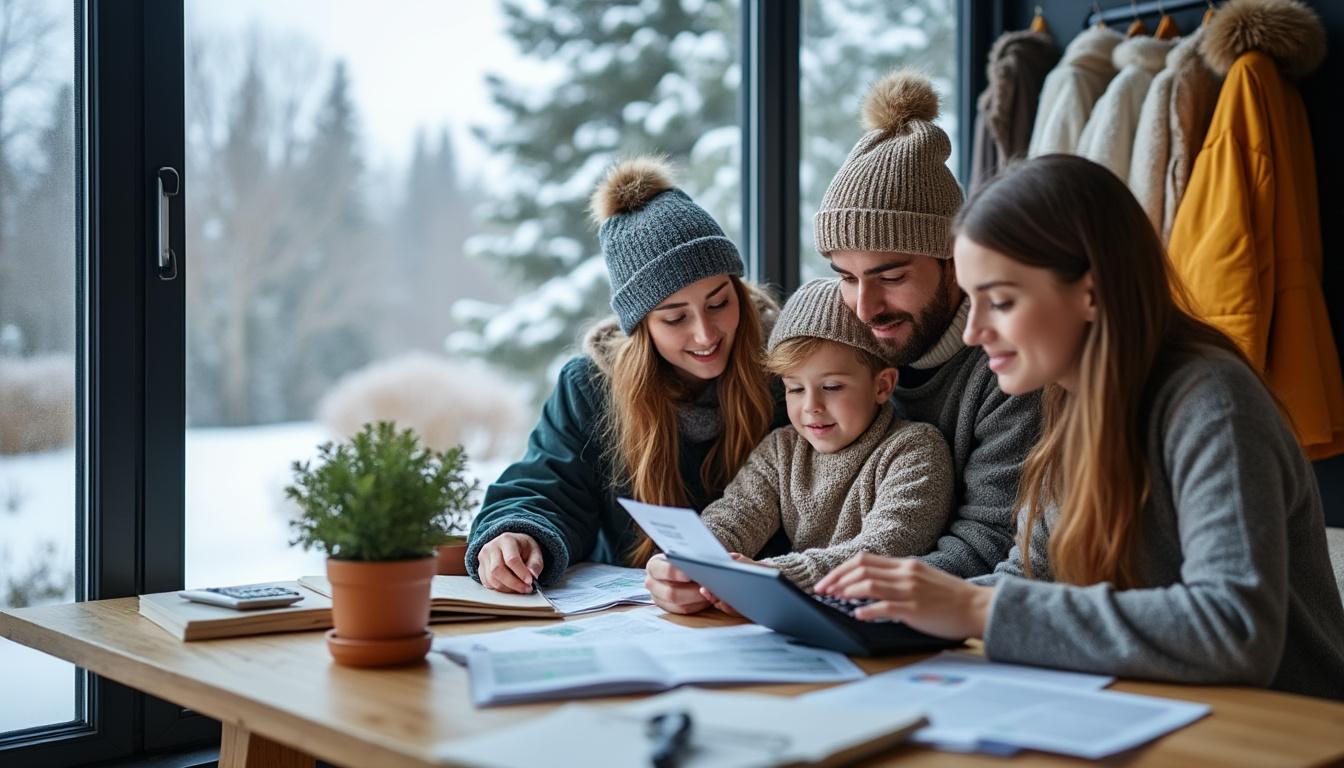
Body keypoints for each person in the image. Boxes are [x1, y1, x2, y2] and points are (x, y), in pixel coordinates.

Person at [814, 154, 1344, 700]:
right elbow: (1031, 578)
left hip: (1290, 729)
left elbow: (1235, 627)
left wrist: (974, 607)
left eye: (1000, 301)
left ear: (1090, 291)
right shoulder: (1076, 402)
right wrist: (882, 611)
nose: (973, 332)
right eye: (973, 302)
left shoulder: (1212, 404)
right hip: (1166, 709)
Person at [646, 69, 1043, 613]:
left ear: (955, 260)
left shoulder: (1009, 371)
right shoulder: (837, 339)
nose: (864, 307)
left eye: (891, 276)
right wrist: (691, 564)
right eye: (846, 276)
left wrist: (789, 581)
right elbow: (751, 504)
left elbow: (984, 548)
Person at [466, 156, 786, 593]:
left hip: (764, 607)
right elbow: (547, 486)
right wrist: (517, 533)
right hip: (634, 617)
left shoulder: (789, 371)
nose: (706, 332)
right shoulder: (591, 387)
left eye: (718, 303)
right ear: (641, 328)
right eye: (674, 318)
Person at [648, 279, 953, 612]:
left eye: (832, 386)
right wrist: (692, 562)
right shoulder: (781, 450)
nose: (811, 407)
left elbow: (886, 550)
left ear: (882, 386)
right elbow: (735, 516)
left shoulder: (915, 450)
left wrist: (772, 578)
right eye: (795, 389)